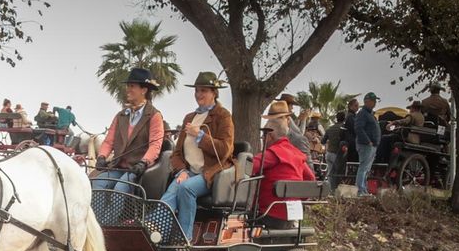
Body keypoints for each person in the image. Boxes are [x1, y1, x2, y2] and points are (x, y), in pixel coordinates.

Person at [160, 71, 235, 240]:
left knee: (186, 188)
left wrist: (200, 135)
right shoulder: (190, 117)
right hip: (190, 172)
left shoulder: (223, 116)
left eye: (204, 91)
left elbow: (225, 149)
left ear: (214, 93)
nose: (199, 94)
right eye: (197, 91)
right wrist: (182, 171)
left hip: (212, 172)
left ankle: (183, 238)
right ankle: (155, 232)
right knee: (169, 196)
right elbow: (177, 153)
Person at [93, 67, 165, 196]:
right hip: (118, 166)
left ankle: (112, 217)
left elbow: (155, 145)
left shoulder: (154, 116)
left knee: (120, 189)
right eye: (128, 86)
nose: (128, 89)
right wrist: (101, 157)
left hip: (137, 169)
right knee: (97, 183)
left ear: (144, 90)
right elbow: (109, 141)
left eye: (132, 86)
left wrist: (144, 162)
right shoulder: (121, 115)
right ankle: (99, 217)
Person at [252, 107, 316, 227]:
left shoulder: (271, 154)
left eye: (263, 136)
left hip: (268, 215)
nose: (263, 139)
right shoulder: (298, 154)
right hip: (293, 216)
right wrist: (295, 197)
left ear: (269, 135)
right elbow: (311, 181)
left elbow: (247, 168)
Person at [352, 92, 382, 195]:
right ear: (367, 101)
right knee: (363, 168)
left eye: (375, 101)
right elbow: (358, 128)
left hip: (372, 145)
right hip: (366, 145)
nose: (374, 103)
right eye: (373, 101)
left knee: (366, 169)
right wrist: (368, 141)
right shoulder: (363, 113)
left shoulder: (370, 114)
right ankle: (361, 190)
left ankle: (363, 189)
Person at [322, 111, 349, 191]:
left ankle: (331, 191)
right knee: (338, 174)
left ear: (336, 118)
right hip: (337, 154)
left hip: (329, 153)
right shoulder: (344, 128)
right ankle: (336, 191)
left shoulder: (330, 128)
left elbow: (323, 141)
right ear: (344, 118)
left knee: (330, 173)